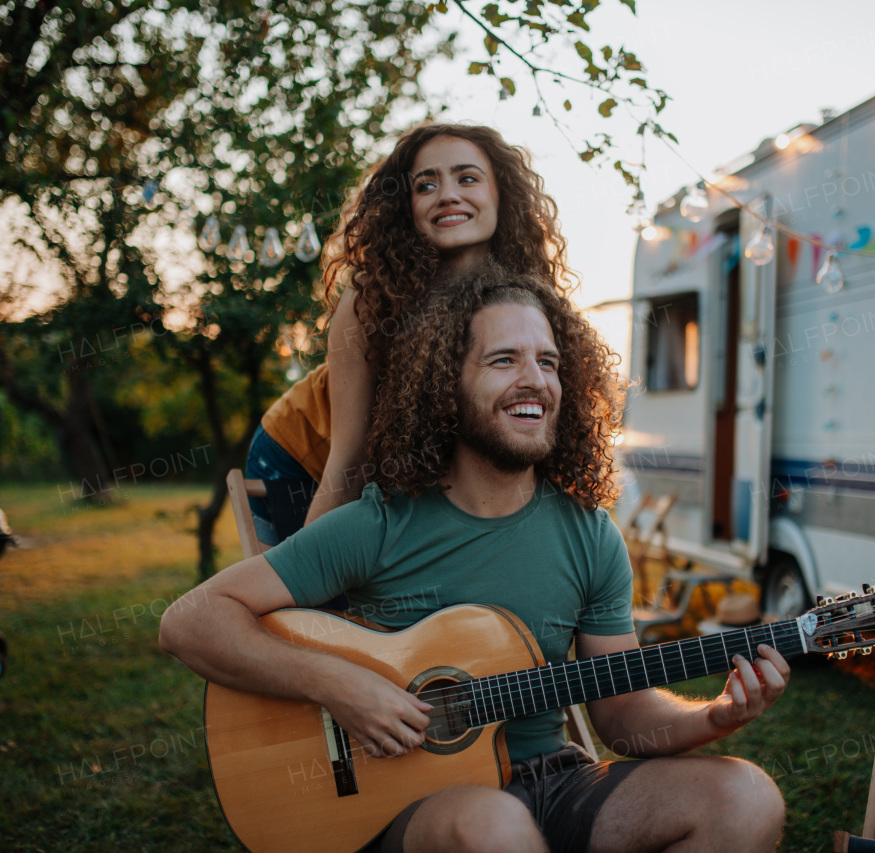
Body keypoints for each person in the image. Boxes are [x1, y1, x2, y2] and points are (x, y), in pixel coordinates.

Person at [161, 265, 790, 853]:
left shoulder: (590, 535)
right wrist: (341, 685)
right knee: (495, 824)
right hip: (416, 802)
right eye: (504, 360)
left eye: (548, 361)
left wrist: (715, 714)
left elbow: (622, 716)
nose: (535, 379)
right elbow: (190, 621)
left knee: (746, 799)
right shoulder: (380, 523)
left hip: (557, 782)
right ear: (447, 385)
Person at [246, 122, 574, 545]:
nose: (448, 195)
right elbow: (351, 458)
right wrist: (305, 584)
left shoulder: (526, 294)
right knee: (332, 603)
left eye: (467, 178)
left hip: (398, 471)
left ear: (501, 194)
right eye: (426, 185)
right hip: (305, 457)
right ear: (407, 205)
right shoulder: (374, 294)